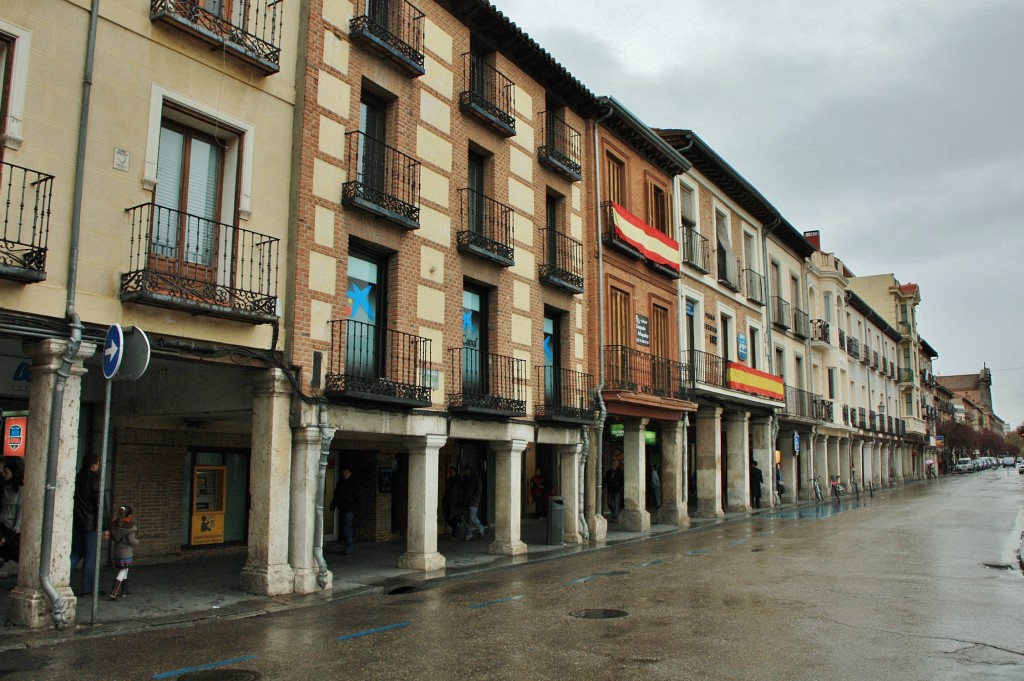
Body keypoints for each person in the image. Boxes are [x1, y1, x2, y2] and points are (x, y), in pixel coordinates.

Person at [70, 454, 104, 596]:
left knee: (76, 553)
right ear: (93, 464)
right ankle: (87, 588)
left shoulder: (76, 477)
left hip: (77, 522)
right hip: (90, 524)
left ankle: (57, 580)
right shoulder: (95, 480)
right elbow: (100, 504)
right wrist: (105, 526)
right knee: (90, 556)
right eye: (97, 463)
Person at [107, 505, 139, 601]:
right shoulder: (130, 526)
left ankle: (125, 590)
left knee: (124, 569)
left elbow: (113, 537)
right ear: (129, 515)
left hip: (117, 550)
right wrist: (137, 542)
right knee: (123, 570)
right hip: (126, 552)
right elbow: (131, 540)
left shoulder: (115, 525)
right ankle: (114, 592)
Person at [0, 458, 24, 571]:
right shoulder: (5, 488)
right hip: (3, 524)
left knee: (16, 554)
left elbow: (21, 509)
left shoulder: (20, 491)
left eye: (6, 472)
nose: (4, 475)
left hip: (12, 528)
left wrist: (18, 526)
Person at [330, 468, 361, 555]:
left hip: (350, 509)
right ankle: (347, 546)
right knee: (345, 528)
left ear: (350, 473)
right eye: (343, 473)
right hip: (342, 508)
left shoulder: (354, 483)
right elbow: (336, 495)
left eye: (346, 473)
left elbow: (358, 496)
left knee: (346, 528)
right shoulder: (340, 483)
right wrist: (333, 505)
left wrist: (358, 508)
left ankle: (349, 547)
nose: (345, 474)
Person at [461, 465, 485, 540]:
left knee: (472, 517)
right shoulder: (464, 479)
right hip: (466, 500)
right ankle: (469, 533)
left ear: (470, 470)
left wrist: (475, 498)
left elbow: (479, 490)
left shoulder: (476, 479)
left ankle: (480, 528)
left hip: (473, 501)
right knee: (466, 517)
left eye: (466, 470)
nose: (465, 471)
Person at [441, 466, 463, 538]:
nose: (451, 473)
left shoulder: (458, 480)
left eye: (452, 472)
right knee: (447, 517)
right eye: (450, 472)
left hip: (455, 502)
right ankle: (456, 529)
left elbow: (461, 491)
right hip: (448, 501)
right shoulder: (449, 481)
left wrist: (460, 501)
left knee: (454, 518)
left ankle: (454, 533)